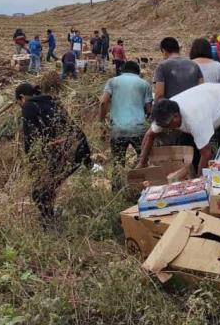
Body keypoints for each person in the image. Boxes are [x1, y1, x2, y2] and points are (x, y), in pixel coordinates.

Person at [16, 78, 91, 222]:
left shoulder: (28, 106)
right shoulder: (51, 101)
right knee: (47, 187)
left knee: (39, 192)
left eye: (18, 103)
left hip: (67, 151)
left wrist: (33, 163)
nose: (20, 106)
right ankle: (51, 218)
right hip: (79, 147)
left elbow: (31, 139)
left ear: (22, 98)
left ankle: (50, 225)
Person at [137, 83, 220, 173]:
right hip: (206, 98)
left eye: (167, 126)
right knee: (187, 144)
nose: (167, 129)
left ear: (176, 117)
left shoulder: (195, 119)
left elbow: (206, 153)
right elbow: (149, 135)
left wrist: (199, 181)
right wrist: (142, 162)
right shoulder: (163, 113)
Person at [99, 60, 153, 171]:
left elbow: (103, 102)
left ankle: (118, 186)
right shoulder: (145, 84)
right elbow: (149, 110)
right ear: (137, 72)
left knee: (118, 165)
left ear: (122, 71)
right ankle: (141, 187)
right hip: (138, 129)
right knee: (142, 164)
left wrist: (101, 120)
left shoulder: (112, 81)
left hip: (118, 129)